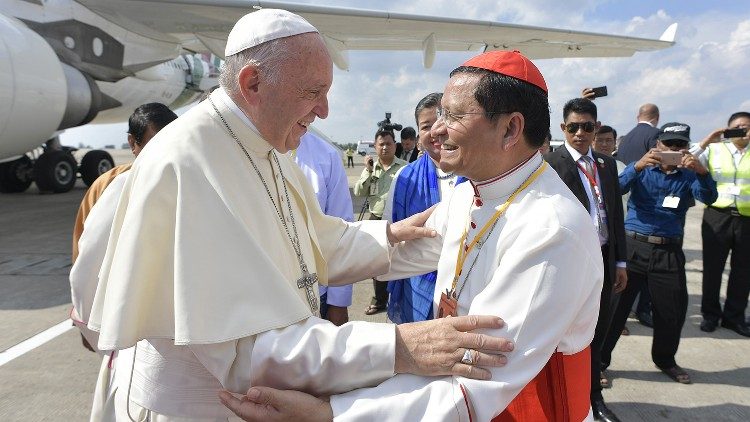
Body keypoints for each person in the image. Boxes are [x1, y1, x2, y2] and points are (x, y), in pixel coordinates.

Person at [83, 10, 514, 421]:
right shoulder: (188, 164)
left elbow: (312, 246)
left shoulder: (267, 144)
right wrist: (398, 346)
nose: (324, 110)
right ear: (253, 83)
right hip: (197, 411)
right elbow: (245, 352)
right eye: (312, 93)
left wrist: (398, 236)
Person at [220, 50, 604, 422]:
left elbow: (477, 381)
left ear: (510, 128)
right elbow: (400, 252)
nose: (435, 132)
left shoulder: (551, 229)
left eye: (452, 116)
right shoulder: (469, 192)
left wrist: (334, 414)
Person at [69, 103, 178, 422]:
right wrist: (90, 325)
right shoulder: (110, 187)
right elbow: (83, 262)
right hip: (127, 335)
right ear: (133, 143)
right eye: (153, 143)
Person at [601, 122, 717, 386]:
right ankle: (600, 362)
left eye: (680, 145)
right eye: (669, 145)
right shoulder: (643, 170)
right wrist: (637, 166)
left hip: (668, 249)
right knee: (615, 308)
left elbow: (709, 197)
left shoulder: (689, 175)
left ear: (687, 148)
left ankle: (665, 360)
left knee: (671, 310)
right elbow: (614, 189)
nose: (674, 150)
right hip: (633, 247)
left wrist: (701, 171)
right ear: (657, 146)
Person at [545, 97, 627, 422]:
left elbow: (615, 214)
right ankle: (569, 397)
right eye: (574, 127)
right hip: (571, 263)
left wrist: (620, 263)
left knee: (598, 331)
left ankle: (594, 397)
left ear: (596, 128)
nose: (580, 133)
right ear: (563, 128)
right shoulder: (552, 165)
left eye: (587, 126)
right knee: (570, 333)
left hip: (605, 259)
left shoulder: (606, 166)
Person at [382, 93, 466, 323]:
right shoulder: (404, 178)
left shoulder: (476, 176)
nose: (436, 132)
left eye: (444, 122)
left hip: (467, 289)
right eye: (426, 126)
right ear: (419, 136)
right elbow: (389, 234)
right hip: (415, 286)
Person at [71, 103, 178, 262]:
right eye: (155, 144)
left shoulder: (184, 180)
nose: (165, 152)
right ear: (132, 142)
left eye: (172, 143)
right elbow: (84, 249)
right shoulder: (108, 184)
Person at [691, 112, 750, 337]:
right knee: (713, 268)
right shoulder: (716, 149)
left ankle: (734, 317)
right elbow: (689, 156)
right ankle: (710, 315)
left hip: (746, 218)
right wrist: (711, 138)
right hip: (718, 215)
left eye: (746, 127)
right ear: (727, 129)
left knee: (743, 271)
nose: (742, 131)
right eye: (737, 127)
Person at [290, 131, 354, 326]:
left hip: (317, 294)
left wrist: (339, 301)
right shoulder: (240, 150)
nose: (321, 111)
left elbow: (342, 231)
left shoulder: (326, 156)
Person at [354, 129, 408, 314]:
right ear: (375, 147)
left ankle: (401, 300)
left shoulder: (404, 167)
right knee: (377, 263)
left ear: (395, 145)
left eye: (389, 143)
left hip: (399, 219)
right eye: (381, 144)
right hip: (376, 220)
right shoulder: (371, 168)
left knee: (402, 260)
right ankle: (379, 301)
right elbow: (359, 192)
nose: (385, 147)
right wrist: (368, 171)